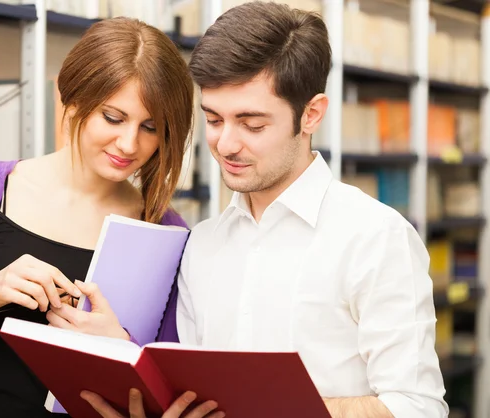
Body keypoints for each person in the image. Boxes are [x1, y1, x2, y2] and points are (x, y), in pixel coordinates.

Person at [83, 3, 449, 418]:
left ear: (311, 115)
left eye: (252, 124)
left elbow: (417, 406)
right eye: (214, 119)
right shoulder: (202, 244)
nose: (226, 145)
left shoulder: (376, 237)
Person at [0, 17, 220, 418]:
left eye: (150, 127)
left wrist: (120, 344)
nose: (130, 143)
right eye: (113, 118)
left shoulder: (166, 233)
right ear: (72, 100)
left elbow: (169, 401)